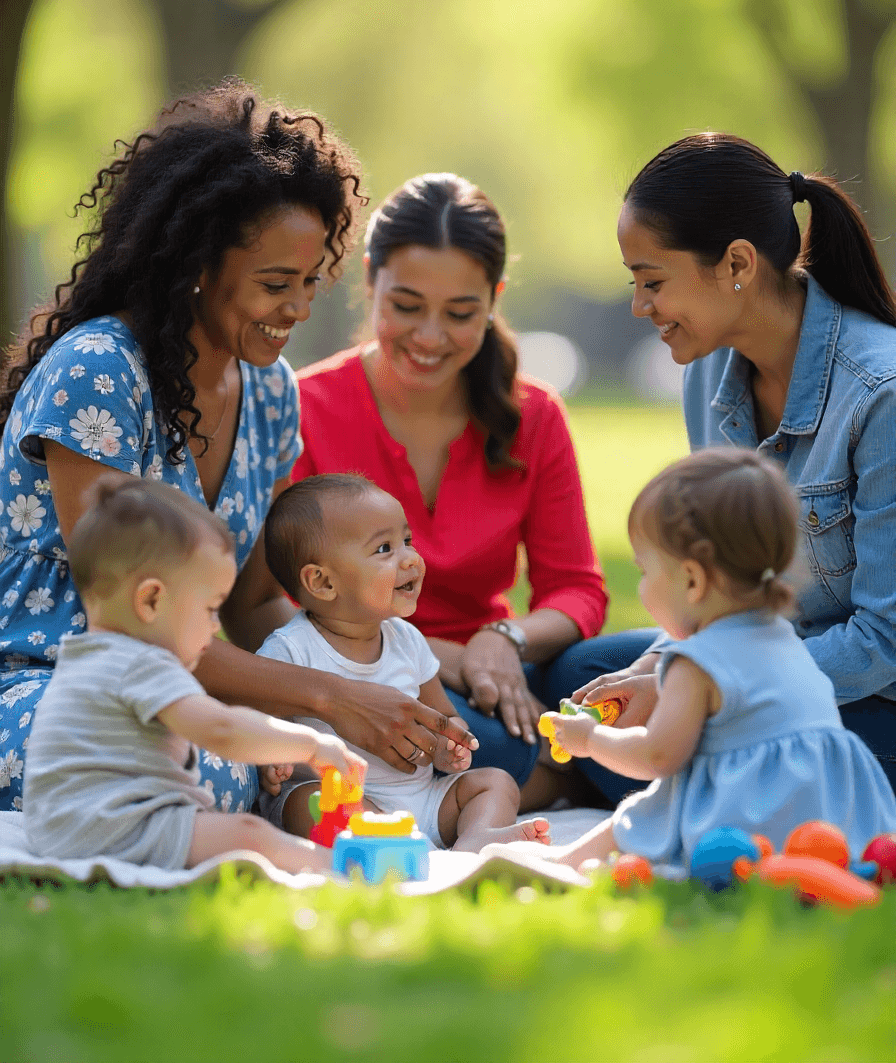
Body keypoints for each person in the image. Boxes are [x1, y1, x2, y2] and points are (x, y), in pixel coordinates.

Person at [0, 80, 473, 814]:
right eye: (276, 283)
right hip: (51, 683)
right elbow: (133, 621)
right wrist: (328, 696)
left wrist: (363, 673)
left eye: (313, 282)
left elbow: (253, 603)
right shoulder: (99, 372)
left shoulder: (271, 392)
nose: (298, 308)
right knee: (211, 762)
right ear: (194, 267)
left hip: (178, 691)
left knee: (282, 759)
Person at [558, 132, 896, 800]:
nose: (639, 307)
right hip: (762, 652)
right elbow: (721, 586)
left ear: (737, 262)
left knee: (692, 737)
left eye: (653, 281)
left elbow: (882, 642)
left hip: (869, 696)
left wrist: (700, 681)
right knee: (586, 668)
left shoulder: (880, 394)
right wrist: (665, 665)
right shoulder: (708, 370)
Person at [291, 173, 609, 809]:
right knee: (484, 742)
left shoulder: (534, 416)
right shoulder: (304, 408)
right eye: (407, 306)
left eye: (461, 314)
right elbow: (286, 599)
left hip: (502, 667)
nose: (431, 337)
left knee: (637, 671)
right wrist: (445, 657)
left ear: (493, 299)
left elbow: (576, 588)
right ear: (369, 282)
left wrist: (503, 642)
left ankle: (589, 765)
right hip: (371, 667)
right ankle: (596, 771)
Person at [527, 449, 896, 872]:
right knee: (660, 801)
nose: (642, 587)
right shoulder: (781, 635)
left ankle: (563, 863)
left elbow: (657, 757)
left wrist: (589, 739)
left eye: (645, 572)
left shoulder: (694, 663)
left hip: (751, 822)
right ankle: (567, 859)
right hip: (825, 817)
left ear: (692, 579)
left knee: (656, 803)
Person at [23, 478, 367, 872]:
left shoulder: (85, 657)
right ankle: (334, 868)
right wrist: (310, 745)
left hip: (59, 830)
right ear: (151, 600)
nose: (215, 624)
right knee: (247, 834)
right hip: (112, 828)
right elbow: (222, 731)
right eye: (208, 609)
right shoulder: (142, 662)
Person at [255, 473, 551, 852]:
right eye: (384, 549)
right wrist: (275, 759)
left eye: (406, 541)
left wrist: (449, 743)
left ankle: (476, 839)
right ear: (323, 583)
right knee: (305, 802)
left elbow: (442, 713)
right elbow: (259, 725)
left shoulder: (406, 640)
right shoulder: (291, 651)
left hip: (424, 799)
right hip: (347, 799)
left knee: (496, 782)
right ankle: (386, 843)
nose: (410, 558)